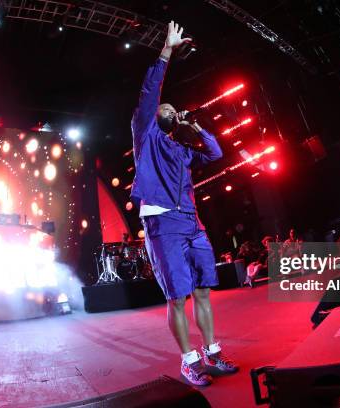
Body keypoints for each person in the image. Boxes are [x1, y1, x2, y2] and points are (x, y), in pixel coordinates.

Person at [130, 21, 238, 386]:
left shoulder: (181, 148)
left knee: (205, 289)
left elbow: (217, 151)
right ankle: (189, 360)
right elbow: (151, 90)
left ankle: (213, 351)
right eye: (169, 108)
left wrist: (196, 127)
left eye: (176, 110)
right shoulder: (146, 134)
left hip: (192, 223)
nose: (172, 110)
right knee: (178, 296)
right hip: (163, 224)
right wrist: (167, 50)